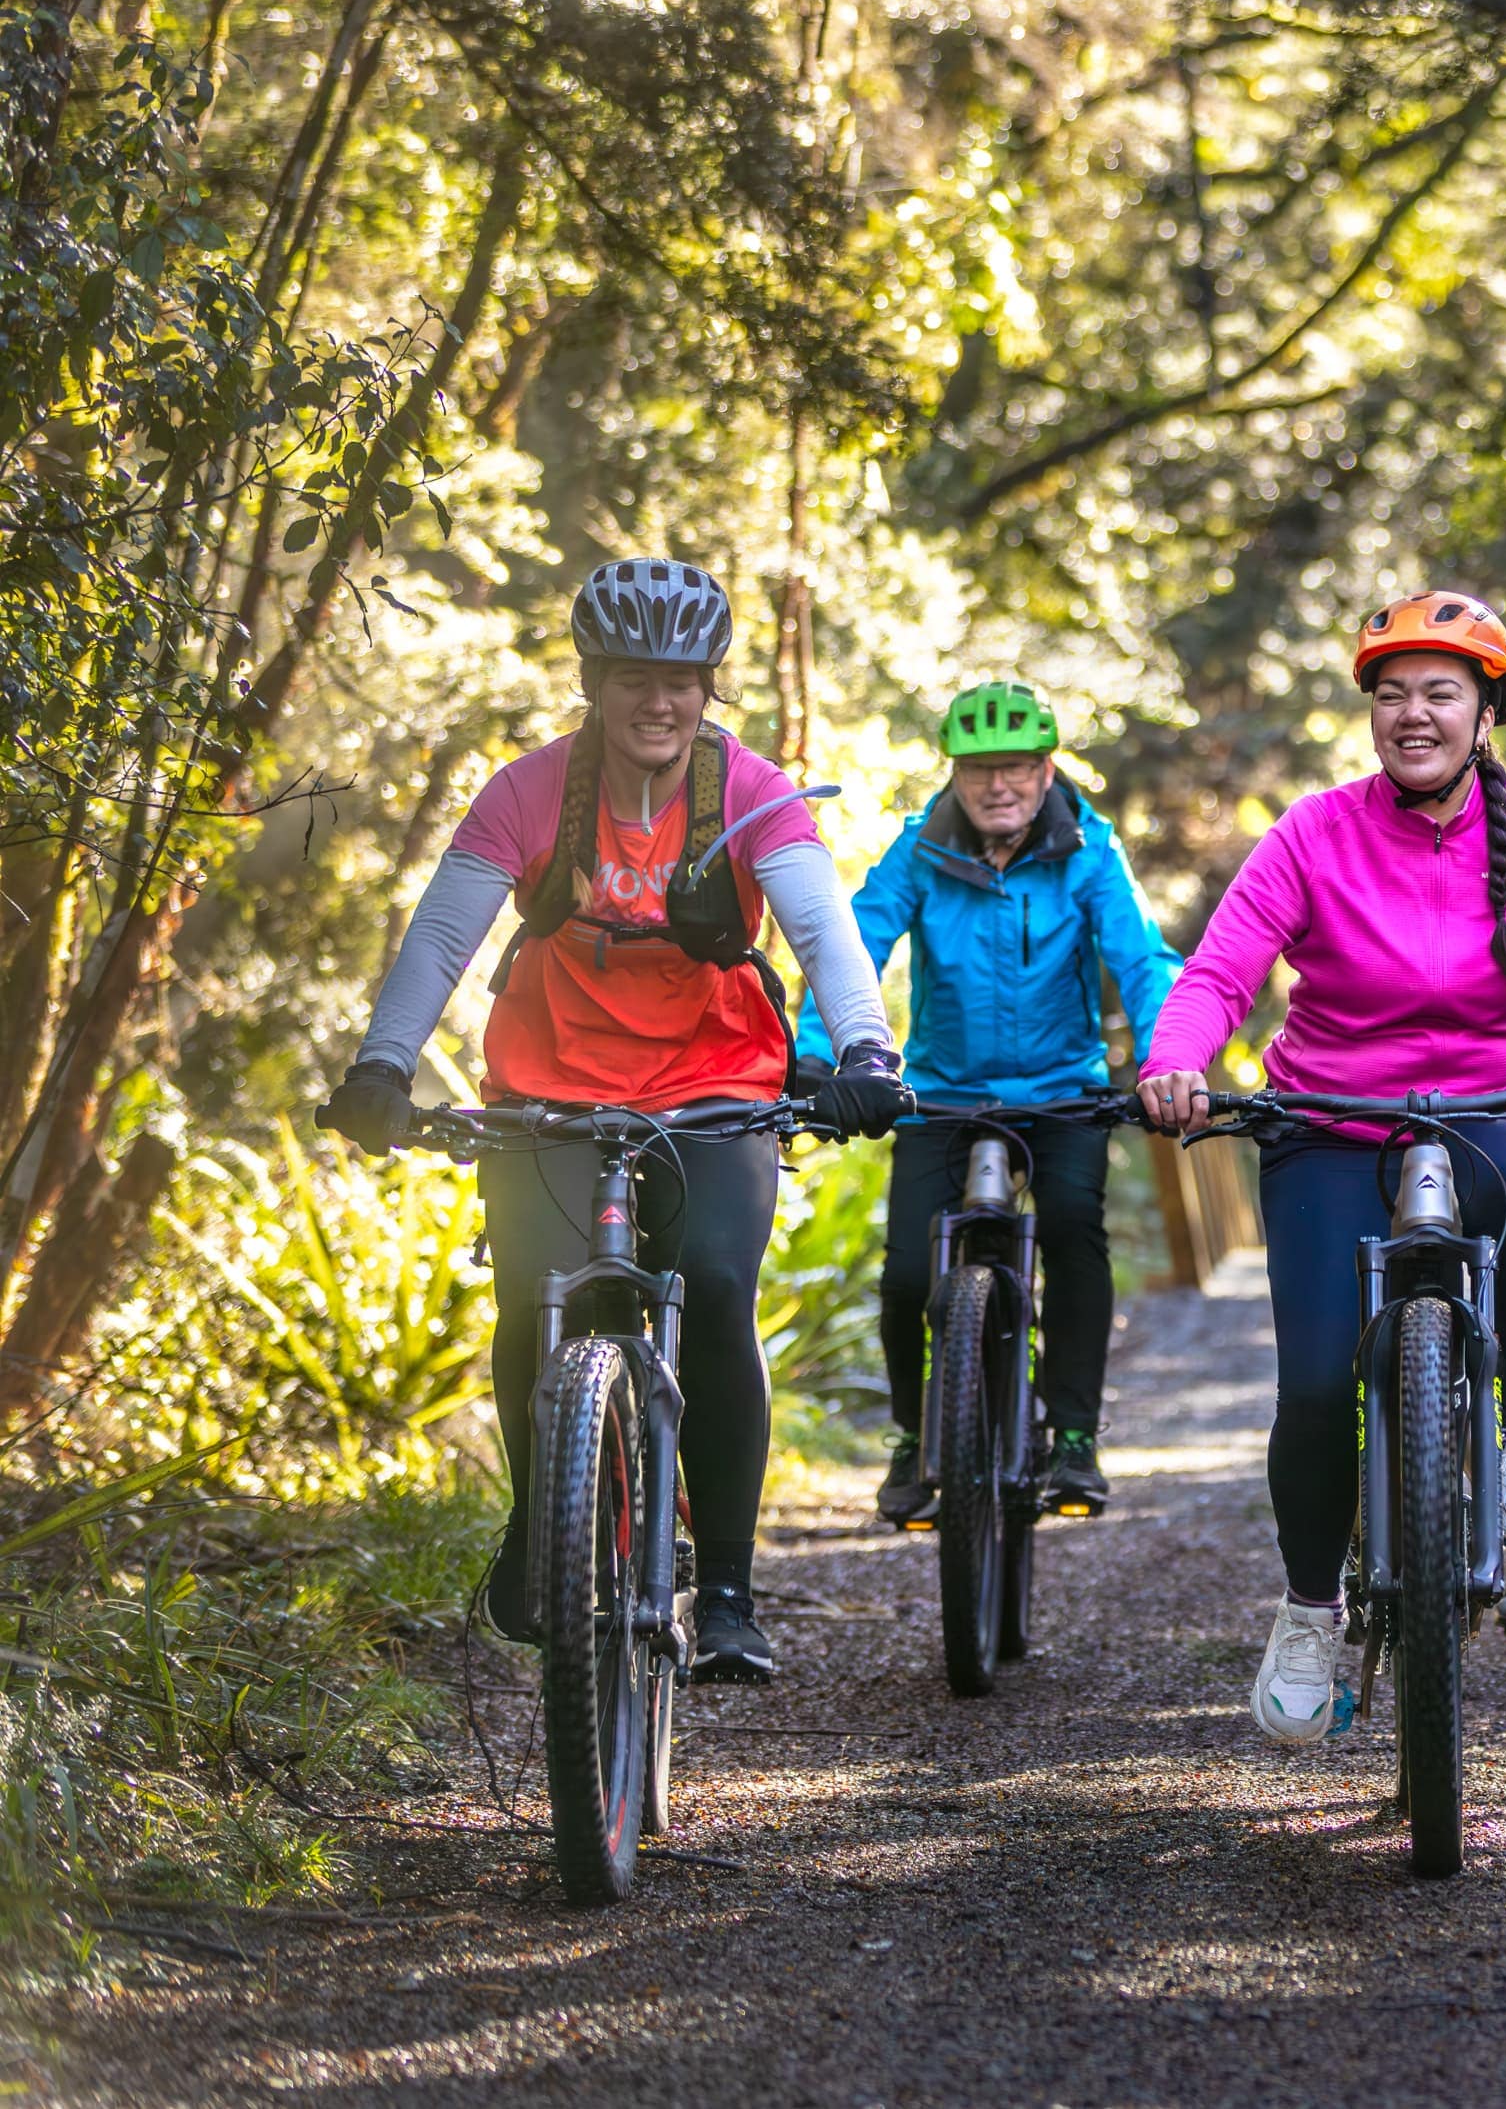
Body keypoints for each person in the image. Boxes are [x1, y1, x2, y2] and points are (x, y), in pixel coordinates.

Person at [319, 559, 912, 1683]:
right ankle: (545, 1524)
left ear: (708, 688)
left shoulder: (754, 790)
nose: (662, 700)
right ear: (593, 682)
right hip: (550, 1084)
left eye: (684, 679)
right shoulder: (526, 792)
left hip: (717, 1083)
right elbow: (442, 938)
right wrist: (382, 1065)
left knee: (722, 1293)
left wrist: (868, 1052)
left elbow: (826, 933)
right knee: (532, 1305)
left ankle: (728, 1590)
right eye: (636, 676)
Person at [1136, 591, 1506, 1744]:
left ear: (1485, 709)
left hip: (1493, 1103)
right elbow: (1220, 971)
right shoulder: (1311, 832)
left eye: (1440, 692)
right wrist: (1177, 1060)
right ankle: (1307, 1613)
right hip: (1331, 1118)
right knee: (1309, 1388)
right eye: (1391, 694)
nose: (1412, 715)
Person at [791, 680, 1184, 1527]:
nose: (996, 787)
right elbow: (855, 945)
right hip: (942, 1095)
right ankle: (910, 1436)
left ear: (1047, 770)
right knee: (903, 1277)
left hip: (1062, 1092)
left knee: (1076, 1228)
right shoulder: (919, 852)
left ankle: (1075, 1435)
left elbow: (1143, 963)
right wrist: (820, 1056)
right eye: (978, 772)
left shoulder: (1090, 851)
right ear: (956, 778)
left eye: (1014, 768)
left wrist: (1168, 1058)